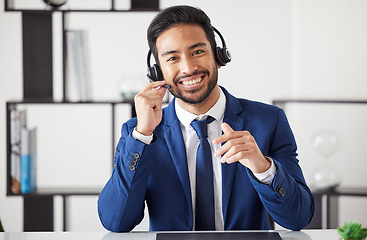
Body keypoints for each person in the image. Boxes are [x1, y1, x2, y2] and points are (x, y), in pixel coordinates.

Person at [97, 5, 314, 232]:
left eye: (197, 52)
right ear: (158, 72)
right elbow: (116, 221)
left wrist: (263, 167)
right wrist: (142, 137)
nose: (188, 68)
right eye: (172, 58)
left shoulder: (269, 121)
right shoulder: (139, 132)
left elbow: (298, 218)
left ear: (219, 56)